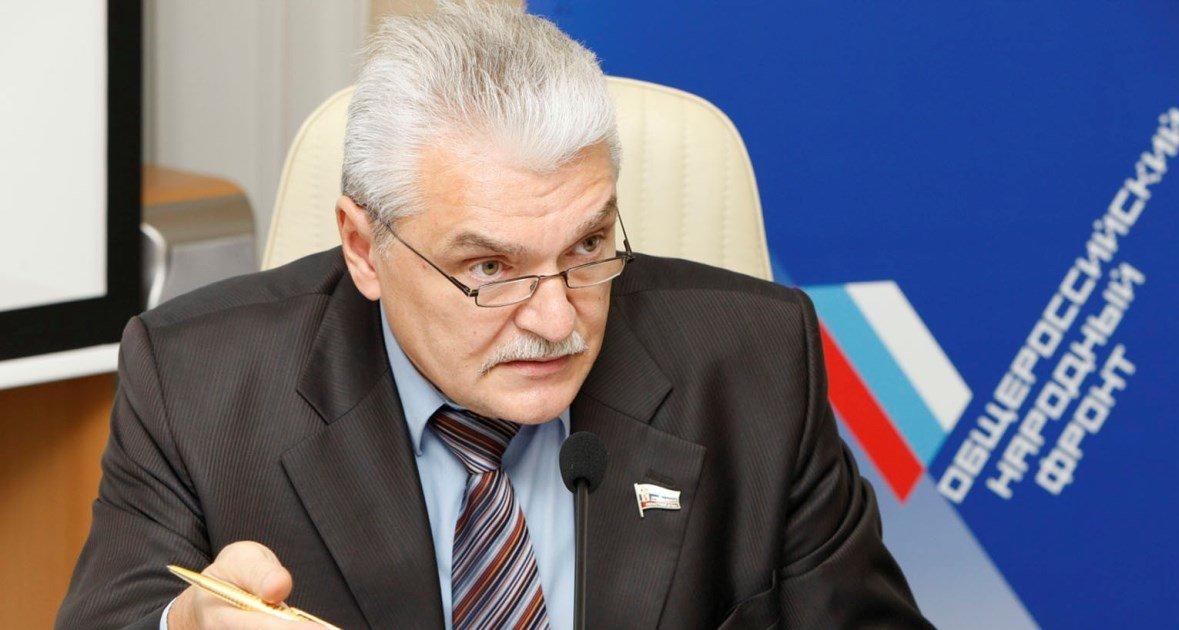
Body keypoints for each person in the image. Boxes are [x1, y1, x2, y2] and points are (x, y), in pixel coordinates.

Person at [57, 3, 931, 629]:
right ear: (363, 248)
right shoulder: (197, 380)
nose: (555, 318)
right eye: (489, 268)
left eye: (587, 246)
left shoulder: (755, 363)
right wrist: (184, 624)